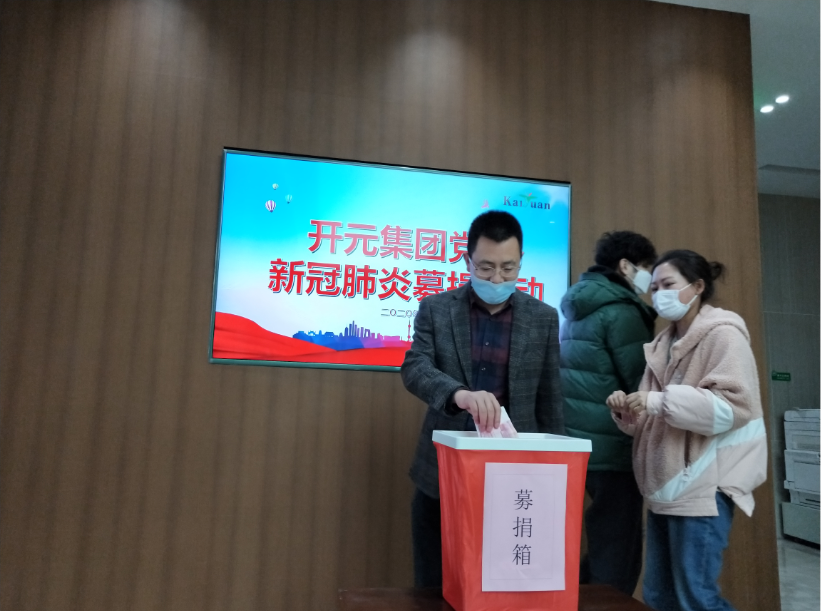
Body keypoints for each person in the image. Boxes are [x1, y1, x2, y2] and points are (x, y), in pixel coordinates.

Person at [401, 210, 564, 588]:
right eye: (486, 267)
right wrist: (458, 394)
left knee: (501, 583)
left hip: (516, 475)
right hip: (442, 471)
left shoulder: (542, 317)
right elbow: (415, 367)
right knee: (434, 581)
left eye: (508, 268)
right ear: (467, 261)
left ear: (521, 261)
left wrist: (556, 472)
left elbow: (550, 398)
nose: (497, 279)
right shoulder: (437, 309)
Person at [606, 250, 767, 611]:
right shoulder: (662, 345)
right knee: (659, 596)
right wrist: (628, 413)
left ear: (697, 287)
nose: (659, 294)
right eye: (655, 287)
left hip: (703, 486)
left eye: (669, 284)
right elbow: (655, 418)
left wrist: (656, 402)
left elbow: (733, 408)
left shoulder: (724, 335)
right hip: (667, 488)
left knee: (696, 598)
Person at [559, 230, 657, 596]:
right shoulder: (622, 310)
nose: (650, 277)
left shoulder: (580, 305)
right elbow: (640, 383)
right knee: (618, 550)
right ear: (626, 266)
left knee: (602, 543)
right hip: (616, 444)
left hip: (579, 441)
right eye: (647, 267)